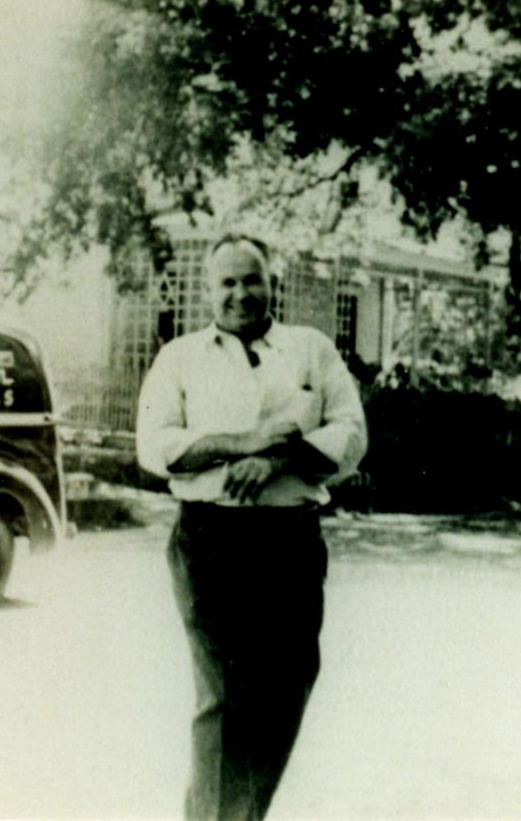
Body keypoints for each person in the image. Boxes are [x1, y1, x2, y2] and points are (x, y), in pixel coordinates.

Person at [135, 235, 367, 821]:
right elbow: (155, 446)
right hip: (210, 541)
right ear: (208, 290)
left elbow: (350, 434)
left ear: (272, 284)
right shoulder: (179, 358)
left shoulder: (310, 350)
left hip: (289, 542)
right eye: (227, 282)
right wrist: (241, 444)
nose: (240, 293)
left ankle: (240, 816)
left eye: (251, 280)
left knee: (286, 688)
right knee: (223, 696)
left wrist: (279, 460)